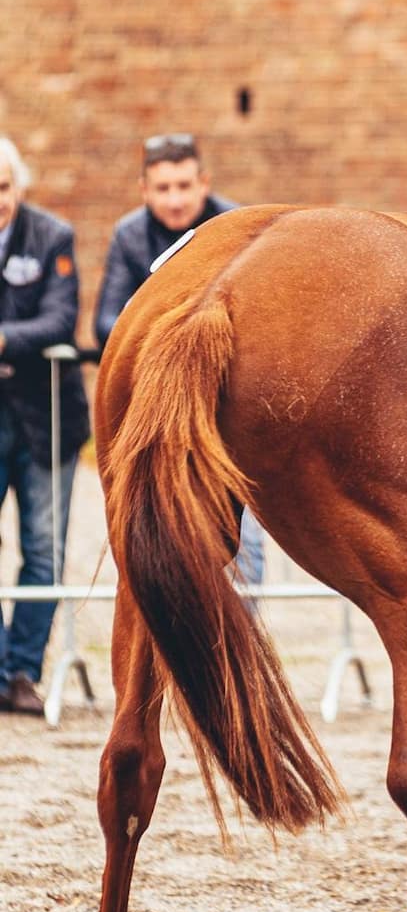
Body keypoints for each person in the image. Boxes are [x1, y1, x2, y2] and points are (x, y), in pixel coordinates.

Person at [94, 133, 265, 587]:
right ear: (144, 190)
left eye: (184, 186)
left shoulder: (236, 225)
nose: (174, 200)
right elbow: (106, 322)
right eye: (163, 188)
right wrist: (177, 338)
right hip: (156, 414)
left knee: (242, 536)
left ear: (203, 182)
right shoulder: (130, 235)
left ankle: (241, 643)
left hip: (228, 411)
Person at [0, 137, 90, 715]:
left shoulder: (52, 236)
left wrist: (6, 339)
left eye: (3, 187)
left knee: (44, 548)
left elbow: (61, 317)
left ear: (19, 186)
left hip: (46, 420)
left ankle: (21, 671)